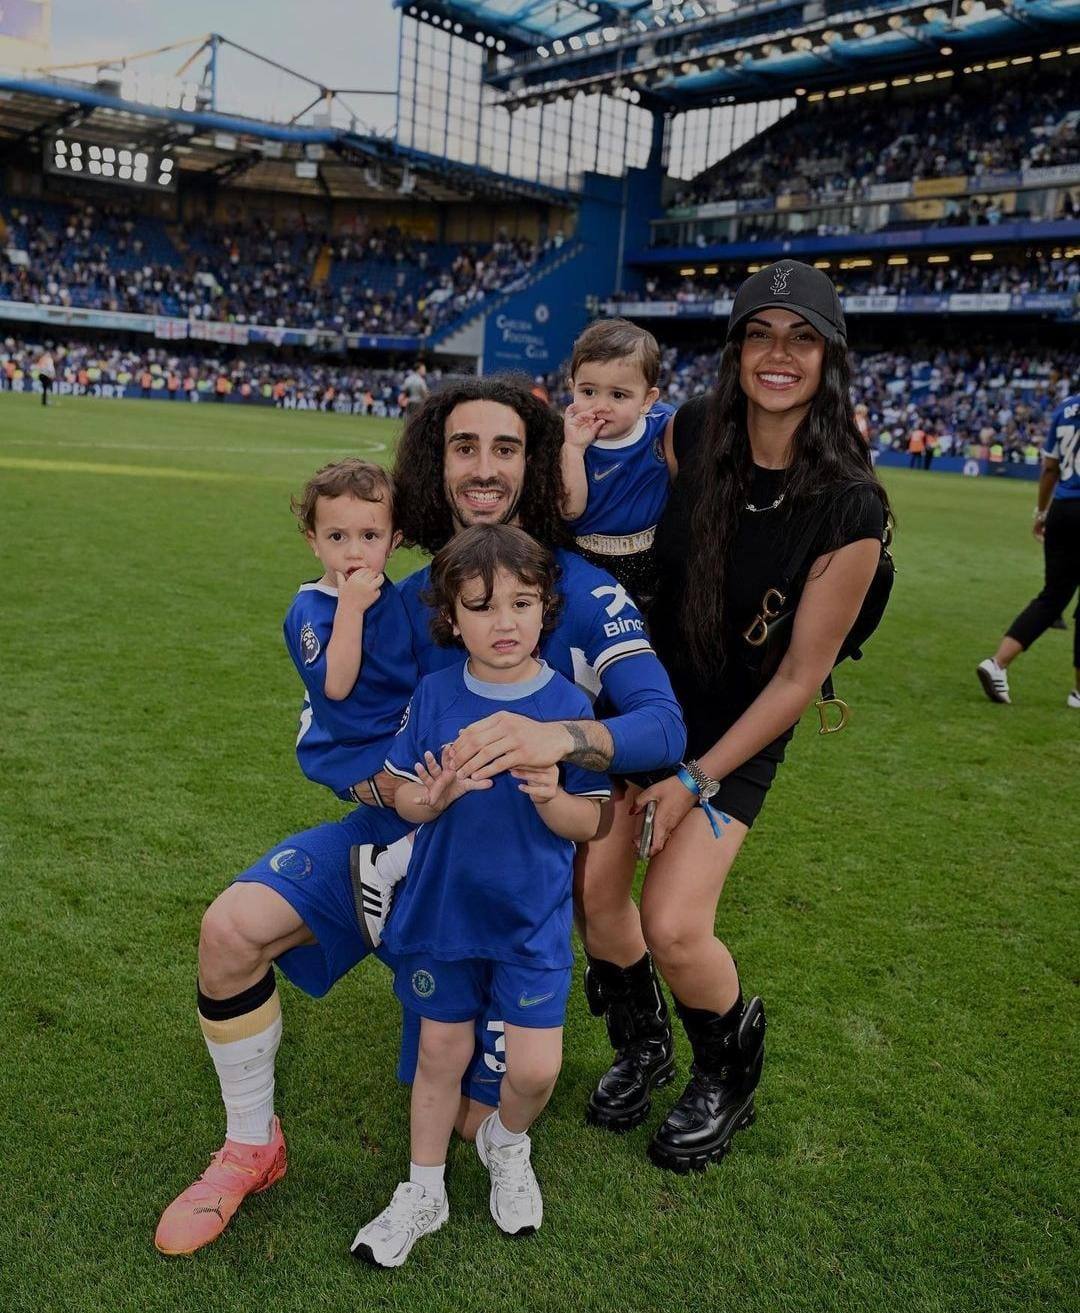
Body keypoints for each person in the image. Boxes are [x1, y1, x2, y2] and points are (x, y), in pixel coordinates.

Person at [154, 376, 684, 1256]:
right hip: (403, 838)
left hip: (506, 865)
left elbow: (660, 724)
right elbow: (335, 742)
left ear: (539, 462)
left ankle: (483, 1116)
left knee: (481, 1113)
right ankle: (252, 1144)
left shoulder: (578, 592)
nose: (483, 467)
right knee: (229, 930)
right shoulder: (406, 598)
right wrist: (389, 789)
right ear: (434, 468)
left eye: (506, 447)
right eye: (463, 447)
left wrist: (553, 736)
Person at [578, 260, 891, 1172]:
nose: (778, 354)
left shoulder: (852, 506)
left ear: (829, 358)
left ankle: (727, 1075)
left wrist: (694, 780)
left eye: (801, 338)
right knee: (595, 896)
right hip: (642, 699)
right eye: (761, 334)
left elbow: (799, 679)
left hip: (737, 729)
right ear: (736, 350)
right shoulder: (691, 432)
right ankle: (643, 1044)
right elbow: (608, 492)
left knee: (674, 922)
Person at [351, 525, 608, 1268]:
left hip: (531, 918)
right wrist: (427, 799)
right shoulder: (434, 695)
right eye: (482, 606)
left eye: (522, 603)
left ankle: (506, 1139)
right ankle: (423, 1188)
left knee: (533, 1071)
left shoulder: (567, 708)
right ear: (451, 619)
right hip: (443, 912)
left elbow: (591, 817)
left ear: (545, 608)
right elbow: (403, 793)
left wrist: (553, 794)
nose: (505, 622)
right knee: (440, 1050)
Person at [284, 459, 418, 809]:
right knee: (423, 799)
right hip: (358, 744)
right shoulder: (311, 609)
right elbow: (336, 684)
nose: (354, 551)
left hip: (402, 723)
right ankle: (387, 862)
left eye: (370, 536)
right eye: (337, 537)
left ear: (393, 542)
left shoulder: (383, 589)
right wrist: (350, 608)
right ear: (314, 542)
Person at [976, 392, 1080, 709]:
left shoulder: (1065, 407)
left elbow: (1050, 467)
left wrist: (1042, 512)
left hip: (1063, 508)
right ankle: (1079, 692)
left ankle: (997, 664)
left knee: (1053, 596)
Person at [560, 318, 674, 604]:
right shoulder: (568, 442)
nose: (601, 405)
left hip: (651, 552)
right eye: (588, 392)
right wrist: (573, 450)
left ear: (647, 400)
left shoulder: (665, 424)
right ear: (571, 387)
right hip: (590, 556)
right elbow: (571, 510)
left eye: (618, 395)